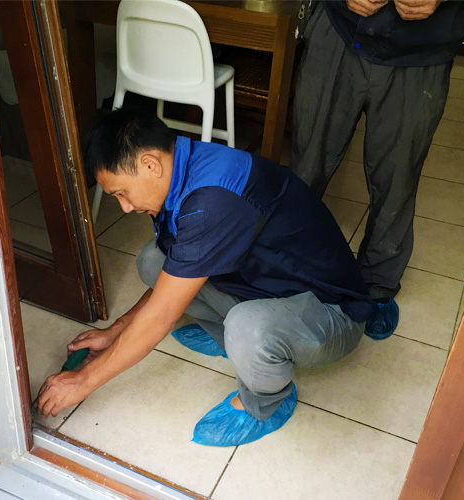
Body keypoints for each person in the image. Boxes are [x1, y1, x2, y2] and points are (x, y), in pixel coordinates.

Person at [35, 108, 372, 447]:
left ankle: (268, 401)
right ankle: (231, 340)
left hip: (332, 313)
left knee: (246, 327)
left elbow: (161, 315)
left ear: (150, 164)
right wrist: (115, 332)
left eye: (121, 193)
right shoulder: (184, 167)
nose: (124, 207)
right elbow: (170, 279)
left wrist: (83, 381)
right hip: (269, 286)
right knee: (153, 260)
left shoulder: (212, 200)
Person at [290, 0, 464, 339]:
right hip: (339, 30)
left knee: (397, 177)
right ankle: (283, 265)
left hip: (421, 51)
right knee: (306, 166)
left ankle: (378, 284)